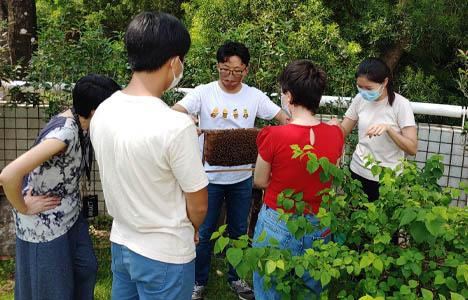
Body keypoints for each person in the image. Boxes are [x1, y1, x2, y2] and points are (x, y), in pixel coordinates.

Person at [90, 12, 209, 300]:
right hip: (165, 253)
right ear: (173, 62)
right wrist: (192, 229)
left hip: (121, 243)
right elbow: (199, 203)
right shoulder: (176, 125)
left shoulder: (104, 109)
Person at [172, 40, 289, 300]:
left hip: (242, 178)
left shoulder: (254, 96)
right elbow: (174, 111)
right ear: (218, 66)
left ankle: (236, 278)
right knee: (203, 232)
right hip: (207, 178)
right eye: (225, 69)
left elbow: (283, 117)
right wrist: (188, 120)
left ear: (246, 70)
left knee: (238, 231)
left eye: (237, 71)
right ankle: (198, 282)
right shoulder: (203, 92)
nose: (230, 76)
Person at [0, 74, 120, 300]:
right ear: (96, 111)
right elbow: (9, 175)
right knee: (53, 290)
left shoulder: (82, 123)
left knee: (86, 268)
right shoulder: (63, 134)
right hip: (45, 225)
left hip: (71, 216)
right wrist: (23, 207)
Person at [252, 60, 344, 299]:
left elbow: (260, 180)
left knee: (269, 288)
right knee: (312, 291)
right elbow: (331, 181)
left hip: (277, 220)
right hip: (319, 223)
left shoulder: (272, 135)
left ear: (289, 96)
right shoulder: (335, 135)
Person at [329, 57, 417, 202]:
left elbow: (412, 148)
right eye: (360, 87)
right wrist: (335, 124)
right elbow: (343, 132)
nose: (364, 92)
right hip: (357, 172)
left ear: (385, 82)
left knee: (382, 223)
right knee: (355, 219)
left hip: (387, 178)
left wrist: (388, 129)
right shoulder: (359, 99)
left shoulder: (401, 105)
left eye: (369, 88)